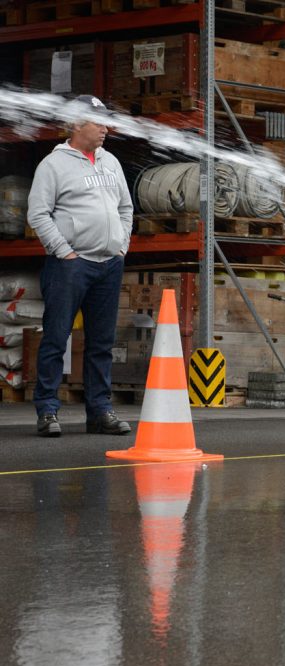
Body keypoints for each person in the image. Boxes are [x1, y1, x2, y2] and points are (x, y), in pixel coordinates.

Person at [27, 94, 133, 437]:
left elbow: (126, 208)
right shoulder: (53, 166)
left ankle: (100, 411)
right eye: (97, 122)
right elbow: (38, 214)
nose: (105, 129)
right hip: (70, 266)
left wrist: (121, 246)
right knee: (56, 338)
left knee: (102, 343)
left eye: (106, 122)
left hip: (108, 264)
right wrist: (64, 251)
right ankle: (47, 411)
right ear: (75, 124)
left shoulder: (111, 162)